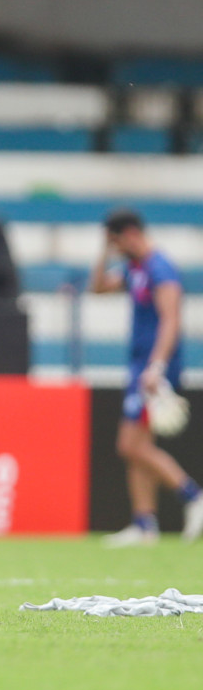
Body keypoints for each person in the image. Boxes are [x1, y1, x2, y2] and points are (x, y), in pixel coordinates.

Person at [90, 208, 203, 545]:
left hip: (154, 369)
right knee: (138, 447)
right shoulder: (135, 268)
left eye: (115, 241)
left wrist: (156, 368)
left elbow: (171, 319)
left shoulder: (159, 267)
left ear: (129, 235)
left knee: (129, 445)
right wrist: (104, 252)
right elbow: (97, 288)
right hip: (139, 365)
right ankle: (144, 523)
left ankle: (193, 495)